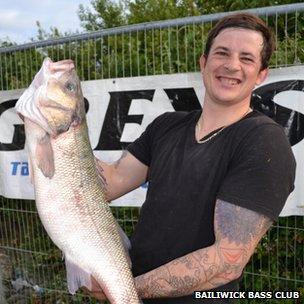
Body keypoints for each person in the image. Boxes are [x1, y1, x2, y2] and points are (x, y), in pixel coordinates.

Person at [88, 12, 296, 303]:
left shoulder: (264, 141)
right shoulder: (167, 125)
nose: (231, 65)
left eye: (246, 58)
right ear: (203, 63)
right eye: (222, 53)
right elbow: (110, 183)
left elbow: (227, 261)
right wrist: (55, 141)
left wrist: (124, 290)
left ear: (262, 74)